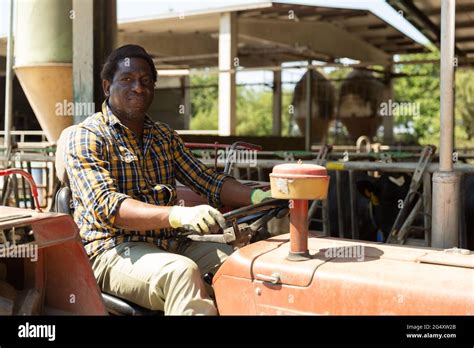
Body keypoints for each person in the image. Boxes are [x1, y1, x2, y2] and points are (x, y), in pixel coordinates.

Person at [64, 44, 271, 315]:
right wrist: (177, 215)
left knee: (246, 266)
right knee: (181, 273)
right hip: (111, 251)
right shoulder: (88, 136)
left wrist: (261, 197)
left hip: (172, 243)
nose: (138, 87)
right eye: (127, 79)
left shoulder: (163, 136)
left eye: (146, 81)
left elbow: (207, 180)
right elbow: (108, 206)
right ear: (106, 87)